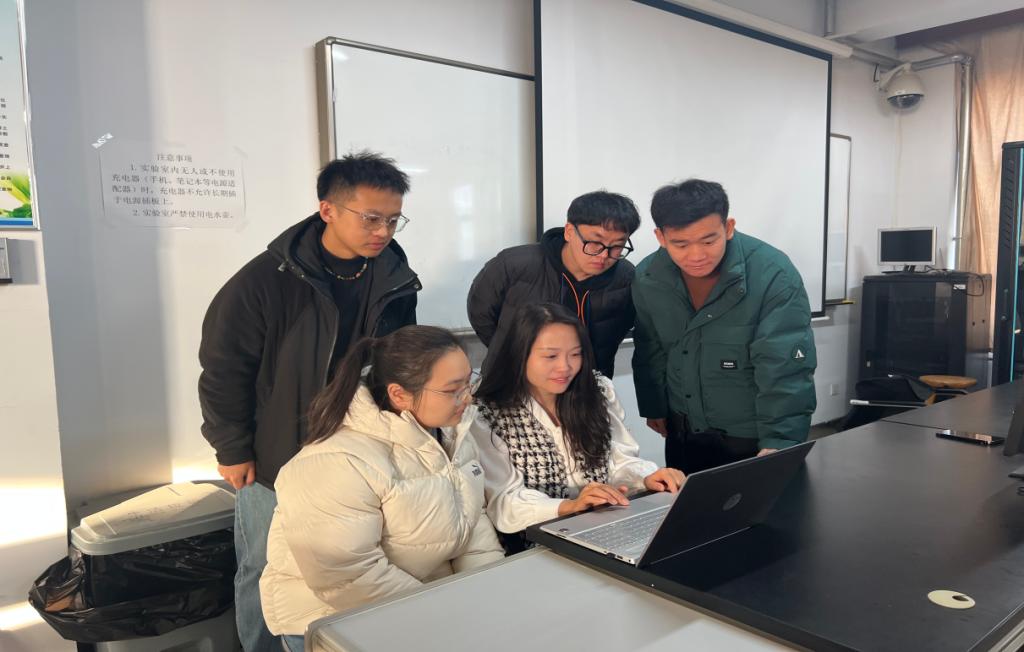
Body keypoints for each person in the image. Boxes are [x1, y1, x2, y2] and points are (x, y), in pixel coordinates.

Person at [198, 151, 419, 651]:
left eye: (393, 220)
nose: (383, 231)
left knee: (347, 562)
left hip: (359, 447)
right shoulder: (265, 280)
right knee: (264, 565)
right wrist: (232, 447)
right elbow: (223, 371)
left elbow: (398, 358)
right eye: (371, 218)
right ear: (328, 210)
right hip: (277, 451)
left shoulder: (394, 276)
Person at [259, 326, 504, 650]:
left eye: (469, 382)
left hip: (422, 606)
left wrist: (488, 596)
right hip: (338, 620)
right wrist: (442, 614)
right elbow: (349, 576)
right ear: (399, 395)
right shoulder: (337, 461)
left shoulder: (451, 436)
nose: (468, 398)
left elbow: (472, 528)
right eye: (452, 390)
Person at [632, 179, 817, 475]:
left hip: (750, 434)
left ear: (728, 227)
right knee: (688, 503)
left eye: (709, 241)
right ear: (660, 237)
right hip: (683, 428)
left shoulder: (772, 274)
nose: (696, 255)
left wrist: (780, 441)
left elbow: (785, 367)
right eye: (681, 244)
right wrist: (653, 405)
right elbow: (649, 346)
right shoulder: (648, 276)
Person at [470, 303, 683, 549]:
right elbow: (505, 501)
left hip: (607, 529)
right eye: (551, 356)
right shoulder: (488, 412)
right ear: (519, 354)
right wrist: (570, 506)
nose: (565, 367)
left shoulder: (597, 390)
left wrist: (647, 477)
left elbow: (619, 461)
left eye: (575, 354)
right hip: (535, 545)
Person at [467, 190, 640, 378]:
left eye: (617, 246)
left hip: (587, 384)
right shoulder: (513, 265)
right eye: (595, 242)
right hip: (513, 380)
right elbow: (481, 312)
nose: (604, 255)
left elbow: (621, 328)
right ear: (569, 232)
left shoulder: (625, 276)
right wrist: (511, 353)